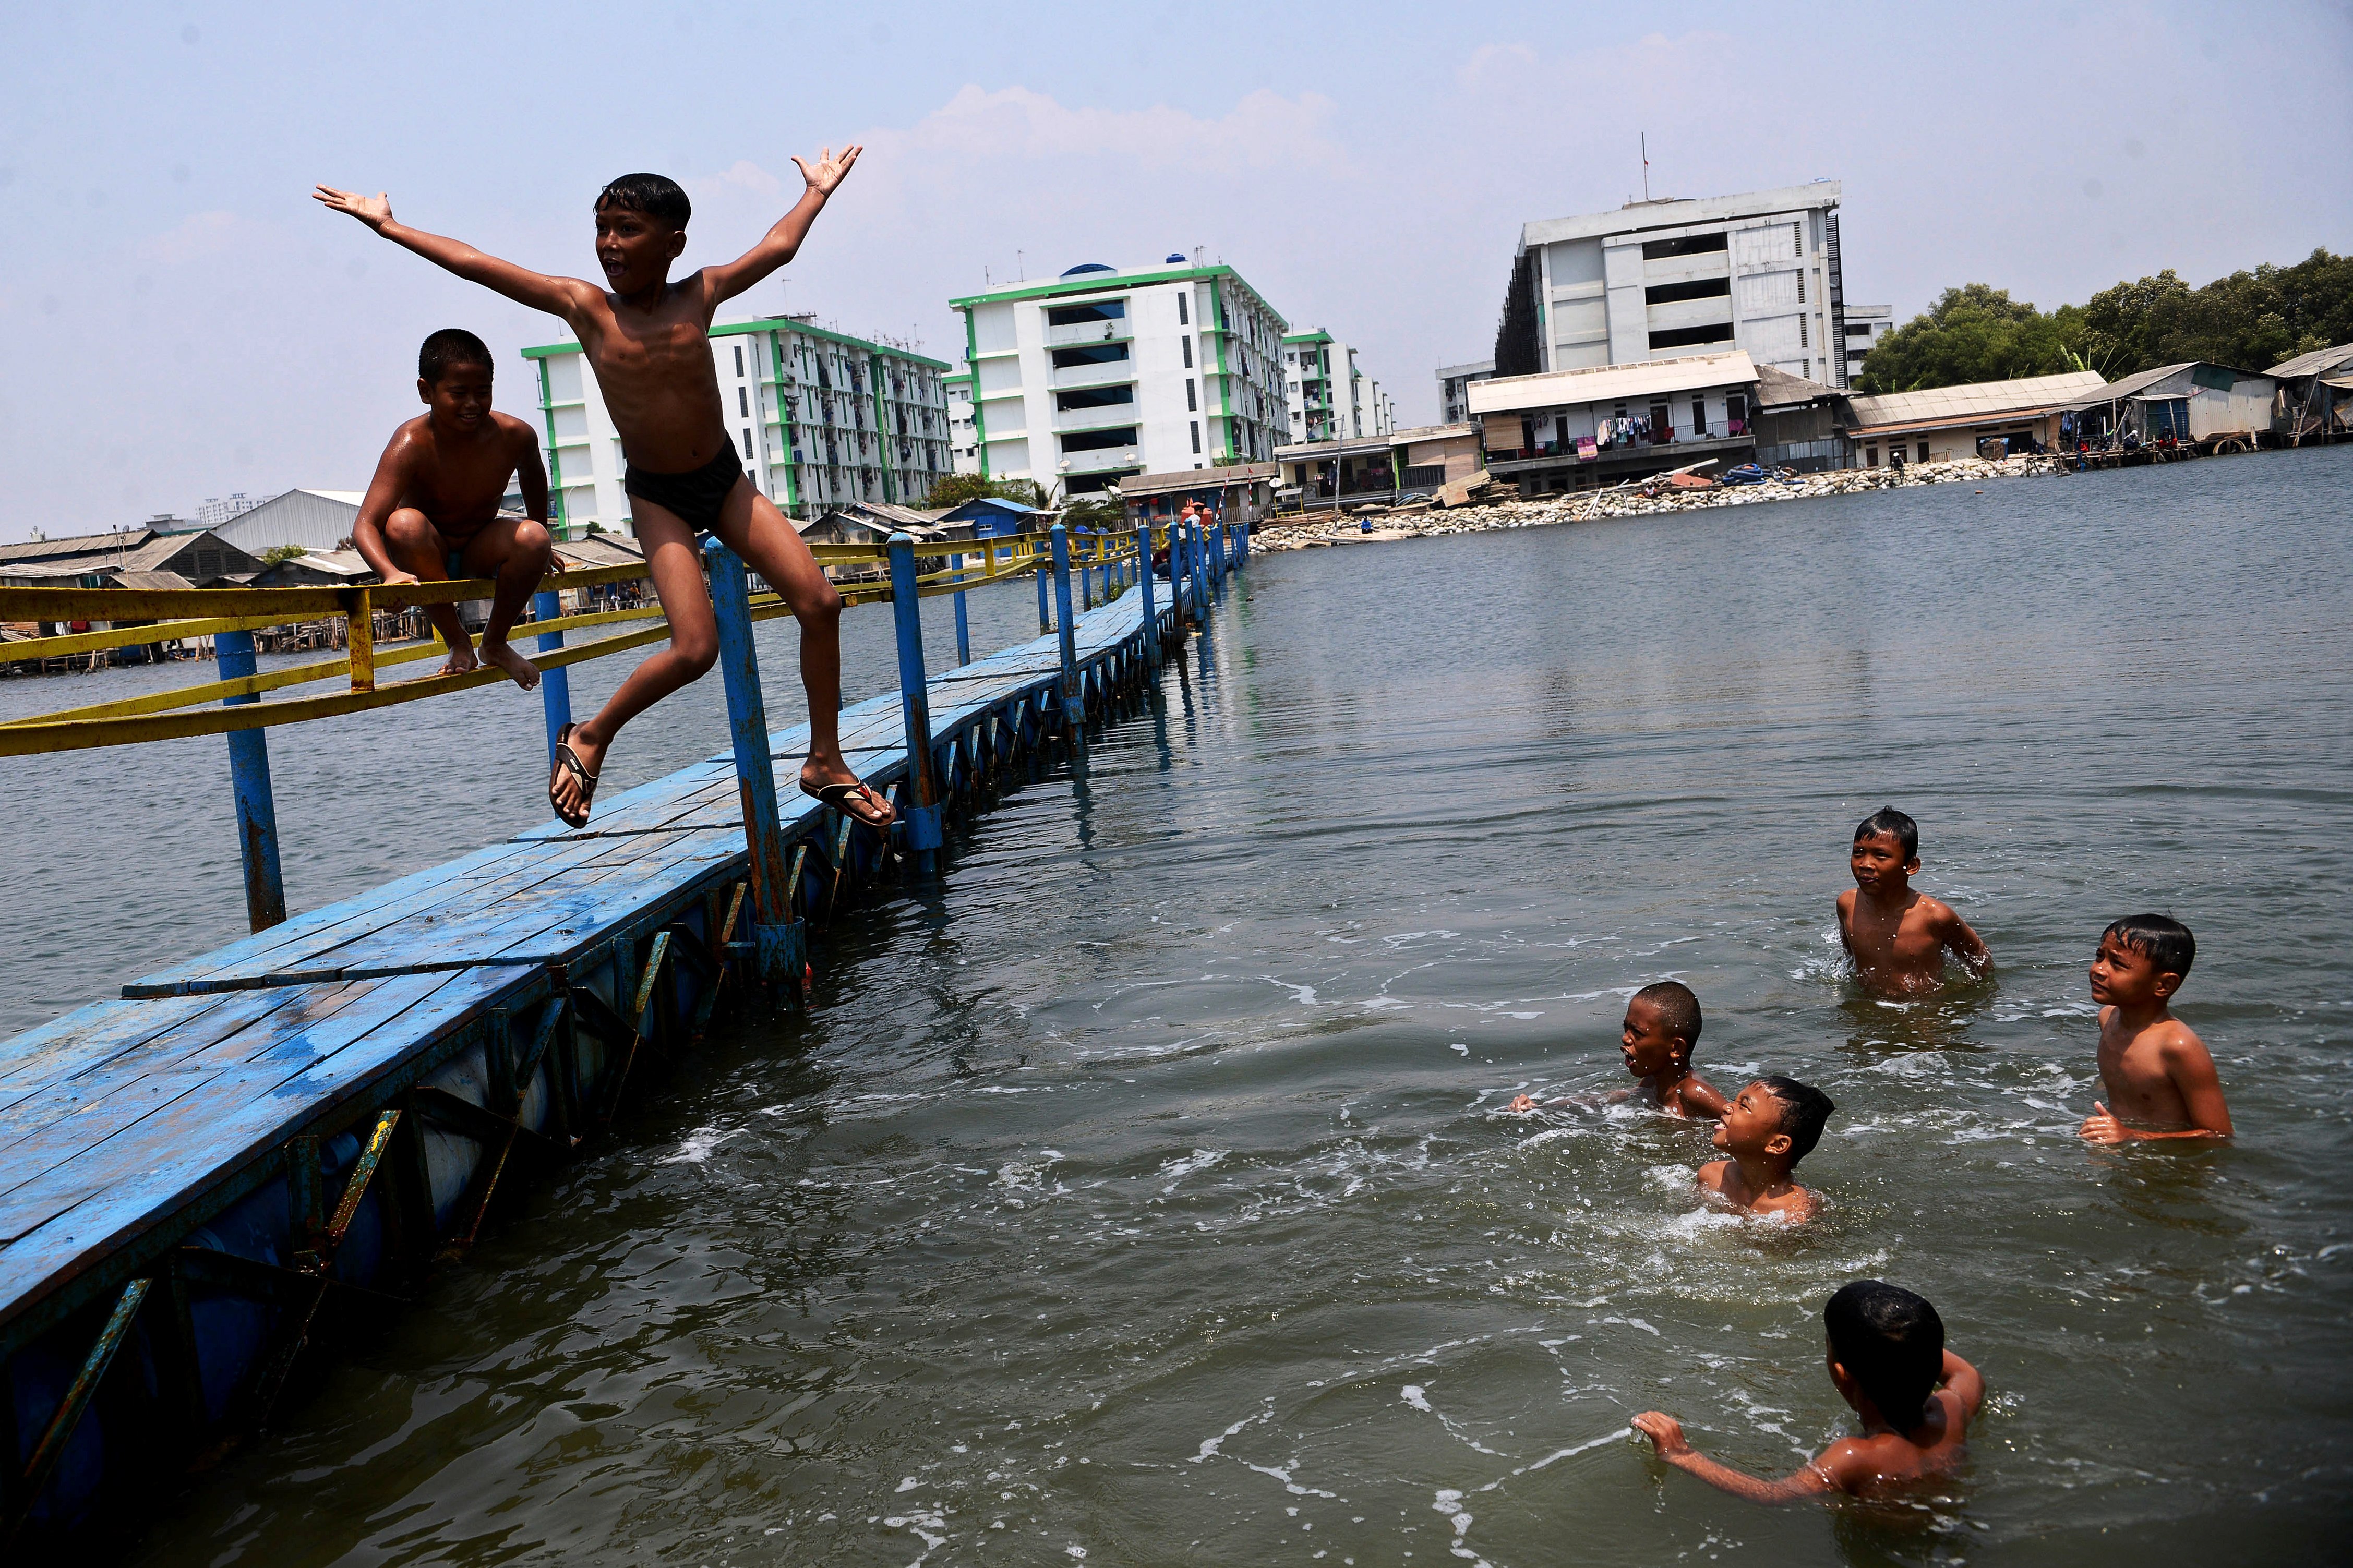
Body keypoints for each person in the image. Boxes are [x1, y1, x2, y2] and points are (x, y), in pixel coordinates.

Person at [316, 148, 896, 832]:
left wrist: (817, 193)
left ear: (673, 243)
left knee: (821, 603)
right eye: (601, 229)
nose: (609, 244)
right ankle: (591, 735)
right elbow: (476, 264)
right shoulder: (586, 307)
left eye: (627, 230)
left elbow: (779, 247)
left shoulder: (700, 293)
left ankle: (824, 761)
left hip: (723, 480)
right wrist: (389, 227)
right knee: (695, 649)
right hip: (658, 496)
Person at [1631, 1281, 1984, 1502]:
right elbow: (1968, 1374)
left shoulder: (1855, 1457)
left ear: (1841, 1374)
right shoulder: (1950, 1412)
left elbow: (1775, 1496)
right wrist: (1906, 1346)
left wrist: (1682, 1455)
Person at [348, 329, 555, 688]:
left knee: (535, 537)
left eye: (483, 392)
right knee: (403, 524)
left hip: (481, 549)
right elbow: (366, 524)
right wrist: (389, 573)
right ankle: (458, 641)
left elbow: (535, 480)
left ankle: (495, 642)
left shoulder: (516, 436)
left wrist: (543, 545)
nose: (472, 404)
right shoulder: (411, 442)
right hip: (428, 555)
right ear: (426, 391)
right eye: (458, 394)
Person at [2078, 914, 2232, 1143]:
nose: (2099, 970)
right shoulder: (2108, 1018)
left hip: (2172, 1159)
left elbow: (2219, 1135)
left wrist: (2133, 1135)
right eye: (2100, 957)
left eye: (2118, 964)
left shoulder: (2177, 1047)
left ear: (2163, 985)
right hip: (2124, 1146)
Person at [1509, 981, 1725, 1119]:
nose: (1625, 1038)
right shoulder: (1652, 1082)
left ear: (1676, 1048)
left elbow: (1740, 1123)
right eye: (1626, 1028)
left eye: (1637, 1033)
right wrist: (1541, 1108)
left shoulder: (1693, 1092)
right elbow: (1605, 1099)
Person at [1836, 807, 1992, 996]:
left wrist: (1959, 999)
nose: (1866, 864)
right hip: (1868, 1007)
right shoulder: (1847, 905)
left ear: (1911, 866)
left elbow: (1980, 960)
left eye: (1881, 855)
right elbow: (1849, 961)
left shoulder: (1935, 917)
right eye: (1858, 853)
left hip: (1923, 1009)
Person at [1697, 1076, 1835, 1220]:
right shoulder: (1711, 1177)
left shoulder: (1795, 1212)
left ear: (1777, 1145)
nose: (1726, 1107)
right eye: (1734, 1100)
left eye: (1743, 1106)